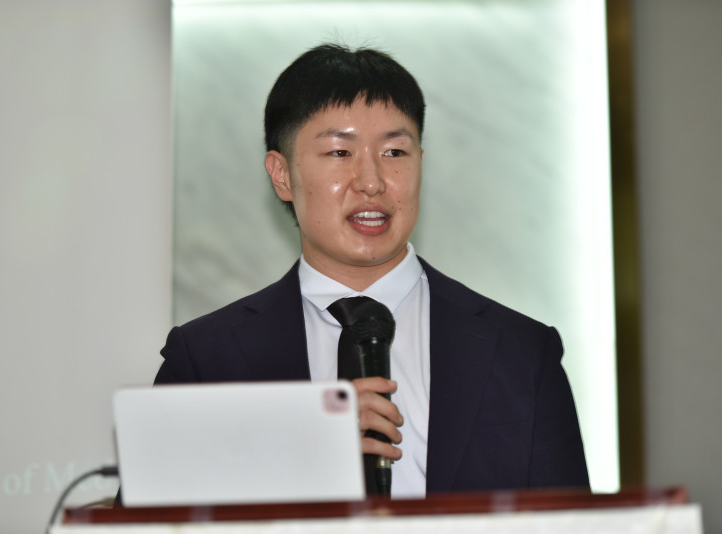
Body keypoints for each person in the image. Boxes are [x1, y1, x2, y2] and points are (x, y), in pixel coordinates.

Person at [154, 43, 589, 498]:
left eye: (395, 152)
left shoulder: (521, 353)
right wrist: (291, 450)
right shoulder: (206, 359)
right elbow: (150, 520)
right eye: (340, 153)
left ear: (421, 163)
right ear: (281, 175)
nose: (371, 182)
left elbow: (572, 523)